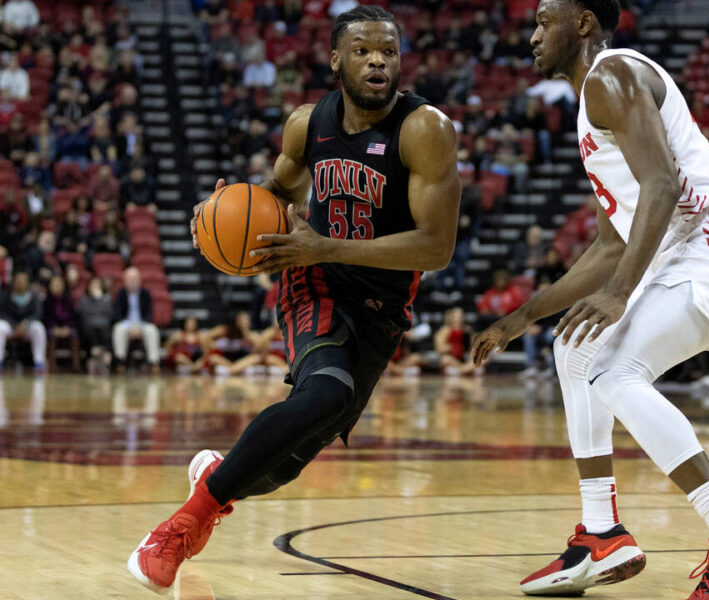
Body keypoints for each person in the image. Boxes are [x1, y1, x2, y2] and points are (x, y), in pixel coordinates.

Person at [128, 6, 461, 594]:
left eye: (388, 50)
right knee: (327, 391)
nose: (377, 59)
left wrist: (325, 244)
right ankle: (177, 529)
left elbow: (435, 248)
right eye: (362, 50)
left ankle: (214, 477)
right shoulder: (307, 124)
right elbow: (275, 193)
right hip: (315, 279)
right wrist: (217, 215)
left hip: (380, 304)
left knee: (280, 467)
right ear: (335, 59)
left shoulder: (424, 129)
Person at [471, 2, 709, 597]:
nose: (534, 34)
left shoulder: (611, 76)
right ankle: (602, 532)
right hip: (686, 247)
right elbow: (613, 242)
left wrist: (618, 295)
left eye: (546, 20)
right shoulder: (593, 104)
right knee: (575, 351)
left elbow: (664, 186)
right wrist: (523, 316)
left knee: (616, 373)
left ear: (584, 23)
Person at [112, 267, 161, 373]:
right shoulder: (120, 294)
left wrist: (139, 327)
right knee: (118, 329)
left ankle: (154, 362)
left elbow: (149, 314)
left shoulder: (146, 294)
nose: (132, 282)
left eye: (134, 279)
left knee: (152, 330)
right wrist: (130, 327)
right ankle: (120, 361)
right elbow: (118, 314)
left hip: (142, 324)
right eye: (130, 279)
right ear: (125, 281)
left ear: (139, 280)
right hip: (126, 324)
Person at [0, 271, 46, 372]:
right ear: (13, 282)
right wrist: (14, 325)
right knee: (0, 327)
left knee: (39, 327)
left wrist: (25, 323)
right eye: (18, 280)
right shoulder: (5, 296)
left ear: (27, 283)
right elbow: (3, 314)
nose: (20, 282)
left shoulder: (34, 296)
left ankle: (39, 362)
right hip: (11, 327)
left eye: (23, 280)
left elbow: (37, 314)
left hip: (27, 327)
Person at [42, 275, 79, 371]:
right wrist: (54, 328)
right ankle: (52, 364)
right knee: (51, 335)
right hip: (52, 328)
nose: (57, 286)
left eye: (59, 284)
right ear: (50, 286)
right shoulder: (46, 301)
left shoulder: (69, 300)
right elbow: (46, 318)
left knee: (74, 335)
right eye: (54, 284)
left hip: (67, 327)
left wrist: (67, 327)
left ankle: (76, 364)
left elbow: (73, 317)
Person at [77, 277, 113, 374]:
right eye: (93, 285)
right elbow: (83, 314)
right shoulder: (84, 300)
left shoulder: (106, 299)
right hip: (88, 328)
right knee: (90, 326)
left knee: (105, 326)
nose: (96, 287)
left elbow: (109, 314)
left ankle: (103, 353)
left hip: (103, 328)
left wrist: (100, 300)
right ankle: (95, 351)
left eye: (98, 285)